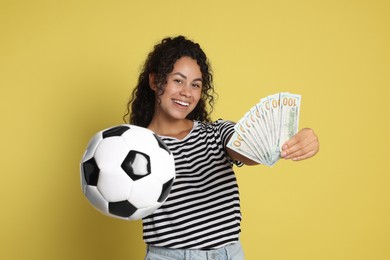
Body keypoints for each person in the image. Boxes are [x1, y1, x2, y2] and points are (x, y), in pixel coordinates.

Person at [123, 35, 319, 260]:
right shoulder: (135, 148)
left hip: (227, 255)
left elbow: (249, 148)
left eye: (195, 84)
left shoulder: (216, 133)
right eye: (178, 80)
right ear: (155, 81)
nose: (187, 92)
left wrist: (291, 139)